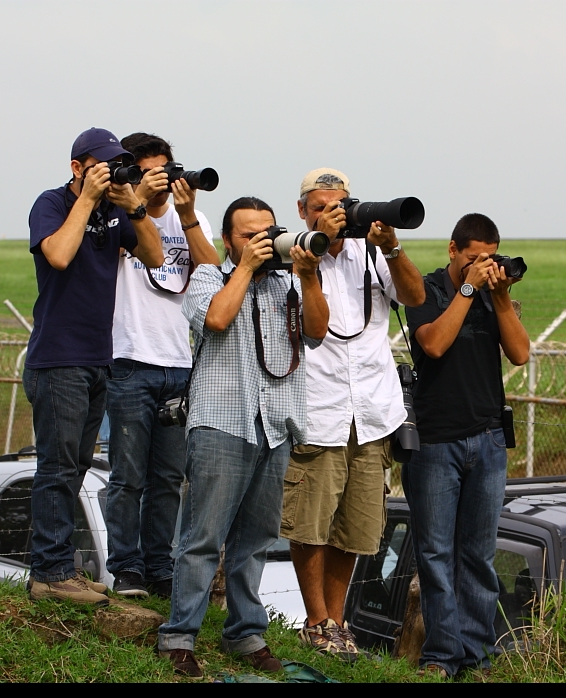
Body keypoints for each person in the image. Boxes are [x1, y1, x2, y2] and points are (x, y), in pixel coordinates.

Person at [156, 197, 329, 677]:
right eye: (249, 234)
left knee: (255, 540)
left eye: (268, 231)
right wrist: (246, 270)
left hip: (277, 424)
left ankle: (246, 634)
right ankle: (178, 638)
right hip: (222, 421)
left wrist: (310, 276)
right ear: (229, 240)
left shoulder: (291, 282)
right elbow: (215, 319)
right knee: (203, 538)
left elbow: (317, 331)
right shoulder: (209, 276)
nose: (262, 241)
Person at [281, 169, 425, 660]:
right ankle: (315, 620)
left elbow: (414, 297)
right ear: (303, 210)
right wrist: (312, 262)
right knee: (311, 523)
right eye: (321, 206)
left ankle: (337, 621)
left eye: (341, 204)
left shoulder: (369, 253)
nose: (333, 214)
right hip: (319, 409)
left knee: (355, 527)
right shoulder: (294, 254)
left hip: (372, 410)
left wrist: (391, 246)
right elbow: (315, 330)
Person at [23, 128, 163, 605]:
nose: (111, 172)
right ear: (77, 167)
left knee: (78, 465)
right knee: (57, 465)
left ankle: (62, 568)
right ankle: (48, 573)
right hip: (58, 359)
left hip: (96, 358)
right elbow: (58, 255)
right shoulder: (52, 203)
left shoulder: (113, 212)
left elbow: (155, 254)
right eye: (103, 165)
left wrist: (134, 204)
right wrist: (85, 200)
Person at [403, 213, 530, 678]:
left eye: (490, 259)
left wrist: (500, 297)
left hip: (488, 438)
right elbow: (433, 344)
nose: (483, 265)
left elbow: (519, 354)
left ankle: (476, 656)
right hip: (436, 441)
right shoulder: (427, 289)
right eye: (474, 258)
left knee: (478, 554)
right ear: (453, 250)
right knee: (436, 555)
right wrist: (467, 289)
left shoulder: (493, 296)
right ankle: (441, 656)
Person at [104, 133, 220, 598]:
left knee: (169, 478)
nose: (162, 181)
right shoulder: (115, 212)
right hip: (129, 356)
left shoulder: (190, 217)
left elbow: (214, 275)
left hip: (178, 360)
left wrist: (187, 215)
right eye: (150, 171)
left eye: (167, 171)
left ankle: (159, 566)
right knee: (127, 475)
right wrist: (137, 202)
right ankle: (126, 567)